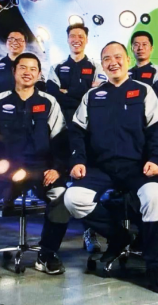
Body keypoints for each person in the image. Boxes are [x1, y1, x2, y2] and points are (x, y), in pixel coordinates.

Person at [64, 41, 158, 294]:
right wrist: (77, 160)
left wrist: (157, 160)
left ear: (127, 60)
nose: (113, 62)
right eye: (106, 59)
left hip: (137, 167)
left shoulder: (143, 91)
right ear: (102, 65)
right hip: (101, 168)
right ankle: (118, 235)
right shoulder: (92, 96)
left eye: (117, 57)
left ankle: (155, 265)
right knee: (72, 198)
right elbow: (77, 132)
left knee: (154, 196)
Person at [0, 53, 70, 282]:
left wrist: (58, 168)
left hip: (41, 170)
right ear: (14, 71)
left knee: (63, 196)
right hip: (3, 171)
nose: (27, 72)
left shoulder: (49, 103)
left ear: (39, 74)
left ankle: (47, 254)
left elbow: (61, 141)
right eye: (23, 67)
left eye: (33, 69)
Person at [46, 23, 107, 253]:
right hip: (61, 133)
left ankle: (90, 232)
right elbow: (53, 94)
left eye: (81, 36)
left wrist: (67, 92)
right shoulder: (57, 67)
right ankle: (52, 240)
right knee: (59, 184)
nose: (76, 39)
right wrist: (80, 92)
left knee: (85, 183)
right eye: (72, 36)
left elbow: (97, 94)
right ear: (67, 39)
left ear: (87, 40)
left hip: (88, 134)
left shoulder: (96, 66)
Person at [0, 30, 45, 96]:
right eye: (11, 39)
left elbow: (41, 87)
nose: (15, 42)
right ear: (6, 42)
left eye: (19, 40)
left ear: (25, 44)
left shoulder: (33, 64)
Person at [128, 31, 158, 106]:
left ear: (151, 48)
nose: (140, 48)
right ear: (132, 49)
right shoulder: (126, 73)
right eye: (136, 45)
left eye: (144, 44)